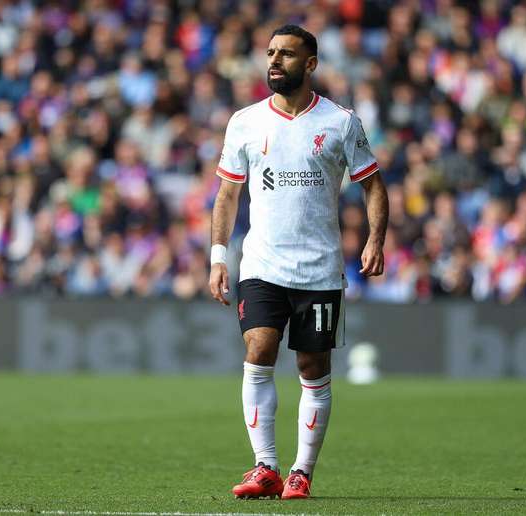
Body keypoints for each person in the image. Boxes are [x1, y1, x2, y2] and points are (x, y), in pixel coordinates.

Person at [208, 25, 388, 500]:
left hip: (319, 270)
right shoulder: (245, 122)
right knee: (258, 350)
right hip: (262, 265)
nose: (274, 61)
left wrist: (375, 239)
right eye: (270, 52)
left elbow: (372, 183)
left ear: (310, 64)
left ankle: (301, 473)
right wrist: (218, 256)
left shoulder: (340, 122)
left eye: (286, 54)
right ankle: (264, 466)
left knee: (312, 366)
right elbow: (227, 194)